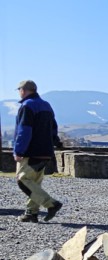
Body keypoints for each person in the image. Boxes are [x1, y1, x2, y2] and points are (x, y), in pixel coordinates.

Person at [13, 80, 63, 223]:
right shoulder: (46, 105)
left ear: (24, 90)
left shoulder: (27, 106)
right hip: (46, 150)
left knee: (23, 179)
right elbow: (53, 127)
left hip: (31, 151)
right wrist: (55, 142)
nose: (19, 92)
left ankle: (51, 204)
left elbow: (24, 131)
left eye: (19, 90)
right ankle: (31, 213)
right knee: (34, 182)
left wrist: (19, 150)